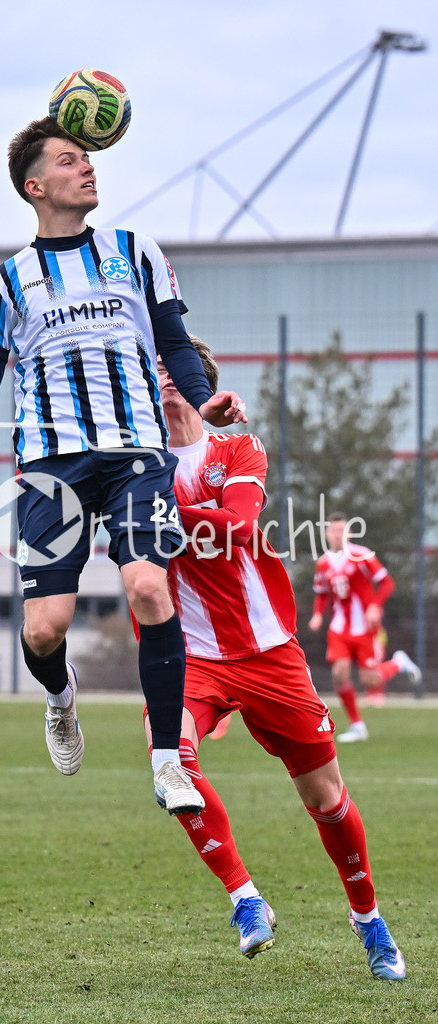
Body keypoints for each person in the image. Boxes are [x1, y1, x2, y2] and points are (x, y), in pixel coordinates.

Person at [0, 116, 246, 812]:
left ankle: (169, 760)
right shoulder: (6, 282)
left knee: (146, 586)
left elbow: (170, 337)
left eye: (90, 159)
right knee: (44, 627)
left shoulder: (136, 252)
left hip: (136, 451)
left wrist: (206, 400)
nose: (89, 168)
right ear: (35, 185)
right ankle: (60, 696)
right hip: (51, 466)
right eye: (72, 161)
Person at [141, 340, 405, 981]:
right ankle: (245, 900)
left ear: (202, 385)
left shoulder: (237, 449)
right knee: (169, 764)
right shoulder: (138, 462)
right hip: (189, 658)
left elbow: (236, 521)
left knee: (326, 797)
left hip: (269, 654)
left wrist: (156, 517)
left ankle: (368, 918)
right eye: (158, 371)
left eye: (178, 372)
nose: (166, 381)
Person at [308, 513, 422, 742]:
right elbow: (321, 594)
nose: (337, 535)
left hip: (364, 628)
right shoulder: (323, 562)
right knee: (339, 675)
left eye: (342, 530)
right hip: (340, 628)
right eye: (333, 530)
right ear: (327, 534)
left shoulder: (361, 555)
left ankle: (398, 663)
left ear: (349, 533)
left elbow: (387, 583)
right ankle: (358, 726)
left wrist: (375, 606)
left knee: (371, 680)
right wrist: (318, 615)